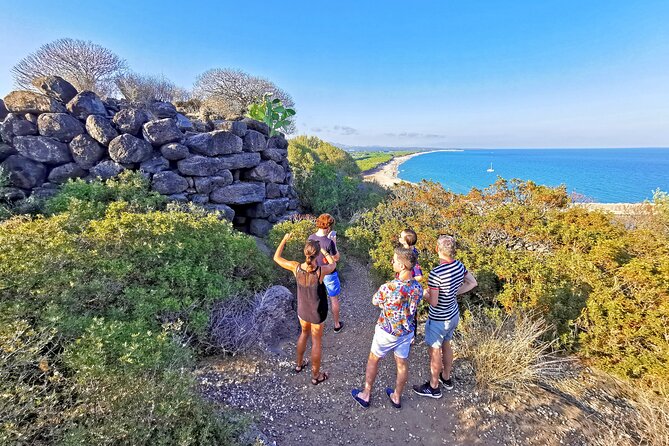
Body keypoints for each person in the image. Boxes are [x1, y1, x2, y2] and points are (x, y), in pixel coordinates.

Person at [351, 247, 423, 409]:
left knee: (374, 359)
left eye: (395, 260)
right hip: (406, 332)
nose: (392, 262)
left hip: (386, 331)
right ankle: (396, 396)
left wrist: (386, 304)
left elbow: (375, 301)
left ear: (403, 266)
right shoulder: (418, 288)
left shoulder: (388, 287)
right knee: (402, 363)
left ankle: (366, 394)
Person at [413, 235, 477, 398]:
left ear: (437, 249)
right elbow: (472, 282)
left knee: (435, 351)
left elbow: (433, 302)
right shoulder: (459, 266)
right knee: (447, 344)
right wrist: (455, 292)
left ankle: (434, 387)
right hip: (453, 314)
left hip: (438, 318)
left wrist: (425, 294)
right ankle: (446, 378)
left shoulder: (436, 273)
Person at [273, 233, 337, 385]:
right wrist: (325, 251)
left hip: (302, 310)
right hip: (317, 312)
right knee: (316, 342)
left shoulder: (296, 268)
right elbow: (333, 264)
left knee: (303, 333)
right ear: (316, 254)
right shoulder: (320, 271)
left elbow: (277, 258)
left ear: (305, 253)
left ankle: (299, 364)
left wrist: (284, 239)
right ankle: (316, 376)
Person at [308, 213, 343, 333]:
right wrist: (334, 242)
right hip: (329, 274)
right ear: (328, 227)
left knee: (316, 298)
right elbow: (336, 258)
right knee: (333, 299)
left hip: (316, 273)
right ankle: (336, 324)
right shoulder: (329, 242)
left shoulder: (311, 238)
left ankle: (316, 324)